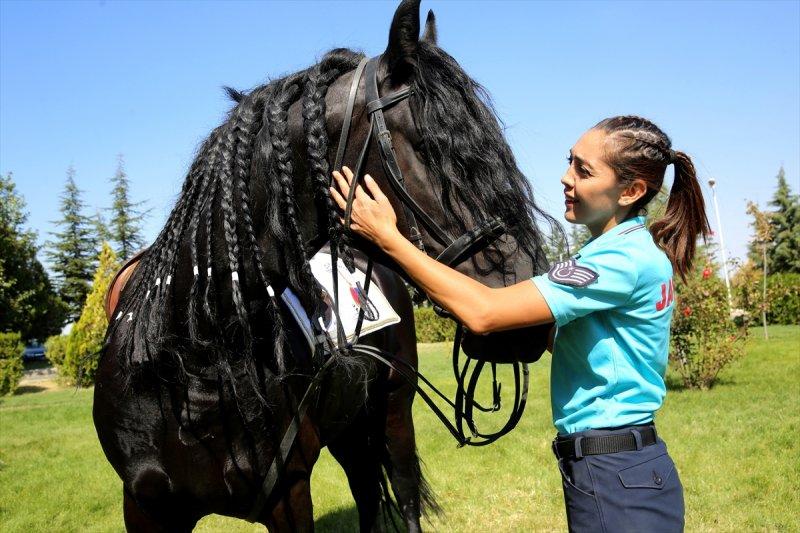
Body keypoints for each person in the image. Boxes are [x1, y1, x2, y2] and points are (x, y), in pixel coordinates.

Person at [329, 115, 709, 532]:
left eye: (584, 170)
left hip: (613, 471)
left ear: (631, 191)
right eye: (570, 161)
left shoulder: (619, 260)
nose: (566, 177)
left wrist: (389, 238)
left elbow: (484, 313)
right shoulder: (626, 251)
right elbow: (574, 342)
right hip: (622, 468)